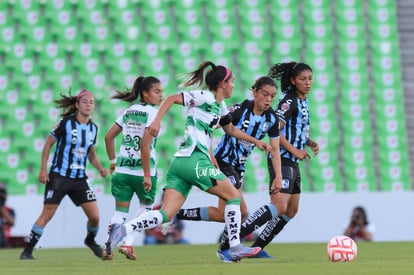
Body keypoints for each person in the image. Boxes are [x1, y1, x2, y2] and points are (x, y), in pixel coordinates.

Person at [104, 61, 272, 261]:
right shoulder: (205, 96)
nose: (234, 85)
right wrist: (156, 121)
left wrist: (257, 142)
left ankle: (122, 230)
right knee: (233, 196)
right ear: (222, 84)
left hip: (180, 164)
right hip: (194, 161)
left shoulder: (220, 105)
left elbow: (231, 130)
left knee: (166, 214)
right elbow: (172, 99)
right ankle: (235, 246)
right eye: (232, 81)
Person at [217, 62, 319, 261]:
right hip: (282, 158)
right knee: (279, 207)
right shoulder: (290, 101)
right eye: (302, 79)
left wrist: (307, 141)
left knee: (291, 210)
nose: (307, 83)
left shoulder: (302, 100)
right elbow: (275, 130)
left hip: (293, 160)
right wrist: (295, 151)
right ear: (292, 80)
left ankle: (256, 248)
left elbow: (293, 128)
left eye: (310, 78)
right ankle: (230, 239)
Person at [20, 89, 108, 260]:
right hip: (59, 176)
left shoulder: (93, 128)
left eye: (91, 102)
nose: (88, 104)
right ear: (77, 105)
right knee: (47, 214)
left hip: (80, 179)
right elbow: (48, 145)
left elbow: (91, 153)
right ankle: (27, 251)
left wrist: (100, 168)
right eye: (84, 101)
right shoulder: (66, 123)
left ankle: (90, 241)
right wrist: (43, 169)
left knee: (95, 216)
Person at [102, 76, 163, 260]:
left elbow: (108, 137)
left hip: (122, 171)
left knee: (120, 213)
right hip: (143, 172)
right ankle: (127, 244)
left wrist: (113, 161)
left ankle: (108, 247)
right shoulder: (152, 114)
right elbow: (145, 146)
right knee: (146, 210)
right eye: (157, 91)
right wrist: (146, 174)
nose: (161, 95)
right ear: (145, 93)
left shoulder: (128, 112)